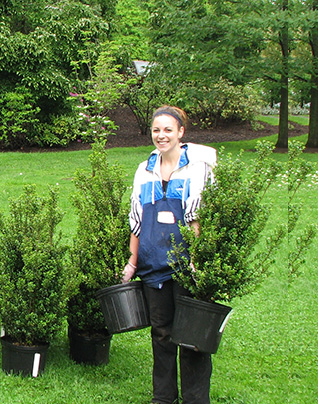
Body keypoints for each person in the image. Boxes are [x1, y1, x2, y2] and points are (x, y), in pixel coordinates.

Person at [122, 105, 217, 404]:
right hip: (153, 268)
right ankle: (163, 398)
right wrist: (132, 262)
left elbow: (199, 219)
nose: (161, 135)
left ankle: (195, 399)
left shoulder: (198, 169)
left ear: (181, 133)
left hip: (186, 267)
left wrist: (196, 259)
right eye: (156, 130)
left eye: (167, 130)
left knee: (192, 338)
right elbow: (135, 221)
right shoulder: (144, 170)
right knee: (161, 335)